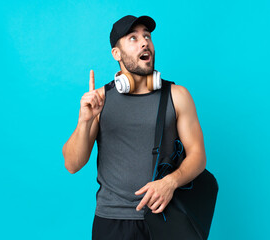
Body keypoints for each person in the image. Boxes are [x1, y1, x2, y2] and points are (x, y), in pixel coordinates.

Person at [62, 15, 207, 240]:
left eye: (147, 36)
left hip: (165, 218)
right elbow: (72, 164)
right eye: (133, 38)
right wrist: (85, 121)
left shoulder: (177, 96)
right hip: (112, 222)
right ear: (116, 54)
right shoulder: (99, 100)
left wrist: (171, 182)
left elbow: (198, 156)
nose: (144, 42)